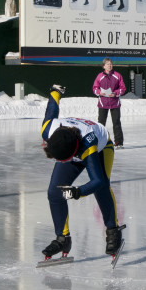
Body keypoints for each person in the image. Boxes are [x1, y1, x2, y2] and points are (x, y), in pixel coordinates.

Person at [39, 84, 123, 261]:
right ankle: (63, 238)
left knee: (102, 187)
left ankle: (113, 231)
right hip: (69, 143)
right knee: (54, 192)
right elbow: (52, 107)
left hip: (101, 146)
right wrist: (55, 92)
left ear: (73, 154)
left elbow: (98, 180)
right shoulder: (48, 129)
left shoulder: (88, 144)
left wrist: (78, 192)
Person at [92, 58, 126, 147]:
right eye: (107, 64)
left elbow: (123, 88)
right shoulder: (99, 76)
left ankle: (119, 142)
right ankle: (99, 141)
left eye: (111, 64)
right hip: (103, 103)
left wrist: (115, 93)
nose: (109, 66)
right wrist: (100, 92)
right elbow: (95, 88)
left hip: (115, 103)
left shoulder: (117, 75)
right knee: (101, 123)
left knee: (116, 123)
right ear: (103, 66)